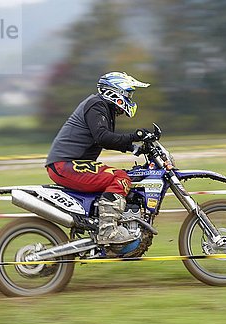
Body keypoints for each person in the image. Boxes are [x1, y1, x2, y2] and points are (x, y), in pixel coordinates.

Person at [45, 72, 156, 245]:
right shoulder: (96, 105)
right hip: (65, 165)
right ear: (115, 91)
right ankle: (108, 232)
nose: (130, 98)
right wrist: (136, 135)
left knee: (123, 175)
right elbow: (103, 137)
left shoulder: (103, 107)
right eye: (128, 93)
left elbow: (107, 139)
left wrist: (135, 148)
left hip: (72, 164)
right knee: (120, 178)